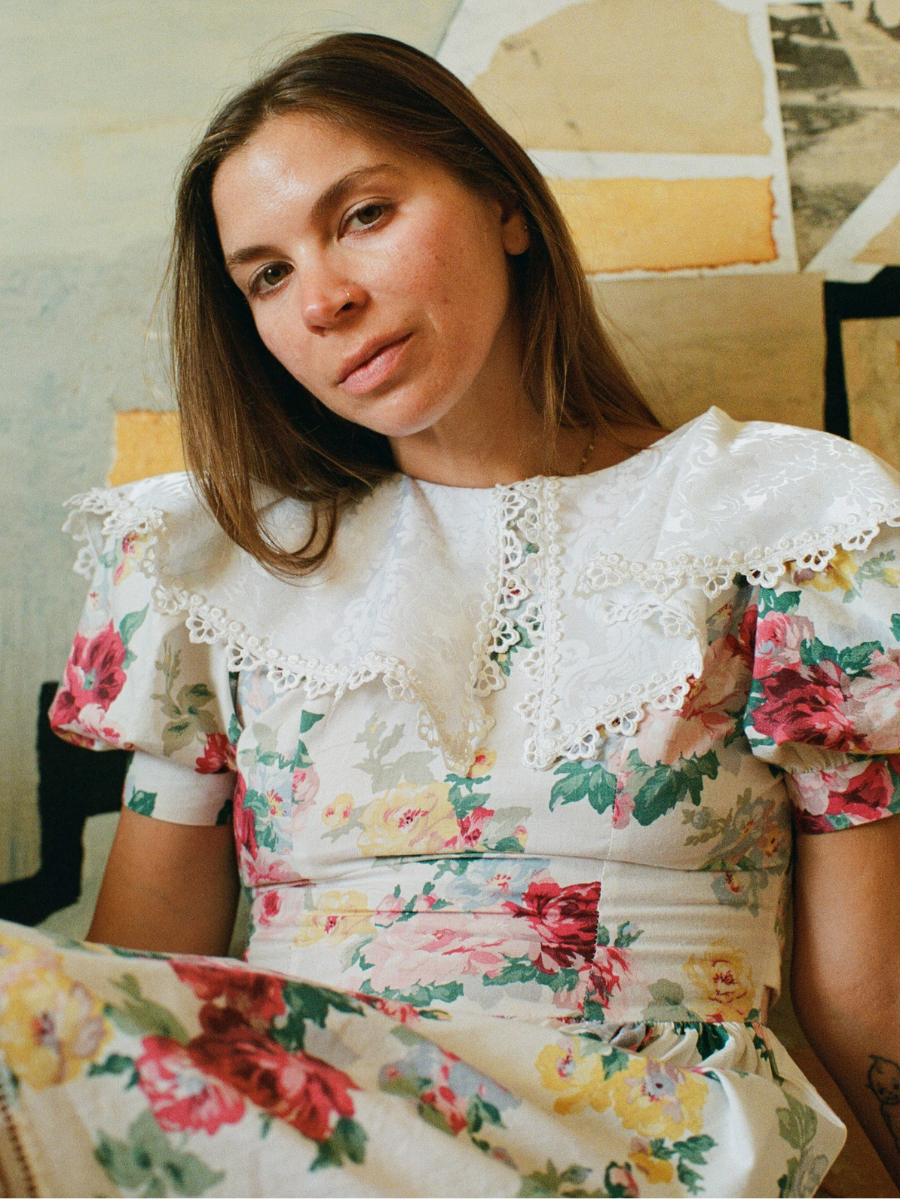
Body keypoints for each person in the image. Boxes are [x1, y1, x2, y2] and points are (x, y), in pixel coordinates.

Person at [0, 31, 898, 1199]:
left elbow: (862, 990)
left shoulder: (783, 512)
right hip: (303, 1129)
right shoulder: (212, 562)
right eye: (266, 274)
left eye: (362, 216)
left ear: (503, 203)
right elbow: (133, 984)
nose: (323, 299)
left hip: (652, 1137)